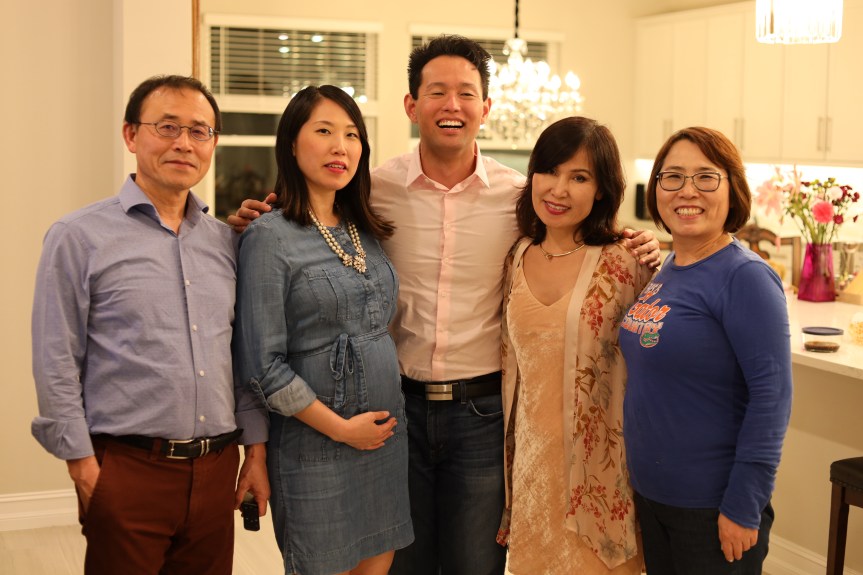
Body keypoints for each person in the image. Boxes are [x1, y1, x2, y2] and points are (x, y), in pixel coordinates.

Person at [228, 35, 660, 575]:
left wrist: (637, 240)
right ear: (412, 105)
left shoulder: (520, 196)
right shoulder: (372, 190)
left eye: (466, 93)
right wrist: (253, 222)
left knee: (474, 563)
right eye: (436, 92)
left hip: (481, 413)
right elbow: (307, 232)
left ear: (486, 107)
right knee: (397, 562)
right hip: (395, 409)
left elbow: (575, 230)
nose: (451, 105)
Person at [31, 75, 270, 575]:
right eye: (167, 127)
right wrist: (84, 467)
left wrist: (255, 452)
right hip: (128, 469)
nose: (184, 143)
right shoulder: (79, 237)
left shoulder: (226, 242)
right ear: (130, 135)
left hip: (216, 469)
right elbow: (56, 359)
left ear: (212, 144)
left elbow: (240, 357)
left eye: (199, 131)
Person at [231, 85, 413, 575]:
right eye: (325, 131)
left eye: (352, 135)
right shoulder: (269, 236)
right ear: (292, 143)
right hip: (315, 449)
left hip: (383, 441)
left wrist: (366, 433)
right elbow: (263, 366)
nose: (341, 147)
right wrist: (343, 430)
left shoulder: (364, 229)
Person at [619, 127, 793, 574]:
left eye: (705, 177)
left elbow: (772, 398)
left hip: (711, 506)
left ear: (732, 189)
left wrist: (744, 505)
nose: (687, 190)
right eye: (672, 177)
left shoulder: (745, 276)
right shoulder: (670, 266)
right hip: (654, 496)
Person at [498, 117, 652, 575]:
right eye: (549, 171)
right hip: (532, 470)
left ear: (601, 189)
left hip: (600, 477)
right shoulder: (517, 256)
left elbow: (656, 360)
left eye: (579, 177)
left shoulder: (627, 262)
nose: (559, 189)